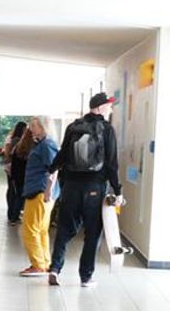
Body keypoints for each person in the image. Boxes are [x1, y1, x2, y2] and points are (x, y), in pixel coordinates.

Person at [48, 92, 123, 287]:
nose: (111, 108)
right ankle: (86, 276)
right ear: (99, 108)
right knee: (92, 233)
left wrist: (51, 170)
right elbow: (112, 164)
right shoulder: (107, 129)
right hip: (95, 187)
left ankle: (55, 268)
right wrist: (118, 190)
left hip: (71, 186)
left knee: (64, 229)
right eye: (108, 105)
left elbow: (63, 154)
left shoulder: (73, 127)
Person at [19, 117, 60, 276]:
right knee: (41, 229)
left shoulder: (47, 145)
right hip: (40, 191)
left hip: (40, 192)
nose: (30, 129)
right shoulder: (43, 144)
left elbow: (54, 168)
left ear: (43, 127)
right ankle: (44, 262)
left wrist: (48, 190)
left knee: (31, 229)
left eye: (33, 126)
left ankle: (38, 264)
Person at [3, 121, 29, 224]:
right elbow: (10, 155)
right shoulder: (18, 142)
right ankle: (13, 215)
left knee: (14, 192)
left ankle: (13, 214)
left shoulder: (14, 140)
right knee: (16, 193)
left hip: (13, 170)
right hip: (16, 171)